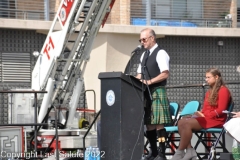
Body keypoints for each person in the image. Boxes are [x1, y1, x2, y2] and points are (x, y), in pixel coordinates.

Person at [171, 68, 232, 160]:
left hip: (216, 120)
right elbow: (205, 109)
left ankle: (179, 152)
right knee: (181, 122)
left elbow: (221, 110)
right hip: (206, 118)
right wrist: (197, 114)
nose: (206, 80)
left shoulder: (224, 90)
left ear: (216, 77)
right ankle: (189, 150)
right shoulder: (209, 92)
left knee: (187, 123)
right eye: (205, 77)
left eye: (208, 77)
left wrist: (205, 115)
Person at [136, 28, 172, 160]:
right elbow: (139, 75)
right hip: (146, 92)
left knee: (159, 123)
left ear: (152, 38)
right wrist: (133, 81)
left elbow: (165, 73)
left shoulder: (161, 53)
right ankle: (154, 152)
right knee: (149, 124)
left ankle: (162, 154)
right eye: (140, 40)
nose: (142, 42)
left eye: (144, 39)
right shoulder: (143, 55)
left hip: (157, 90)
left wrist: (149, 81)